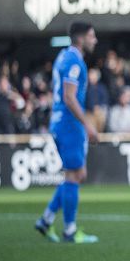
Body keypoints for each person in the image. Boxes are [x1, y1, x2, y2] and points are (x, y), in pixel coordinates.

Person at [34, 22, 100, 243]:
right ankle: (70, 231)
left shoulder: (64, 56)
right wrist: (88, 124)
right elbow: (69, 97)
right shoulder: (73, 61)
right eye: (92, 36)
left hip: (62, 122)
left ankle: (46, 220)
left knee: (77, 174)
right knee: (75, 175)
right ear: (81, 39)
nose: (95, 40)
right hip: (69, 124)